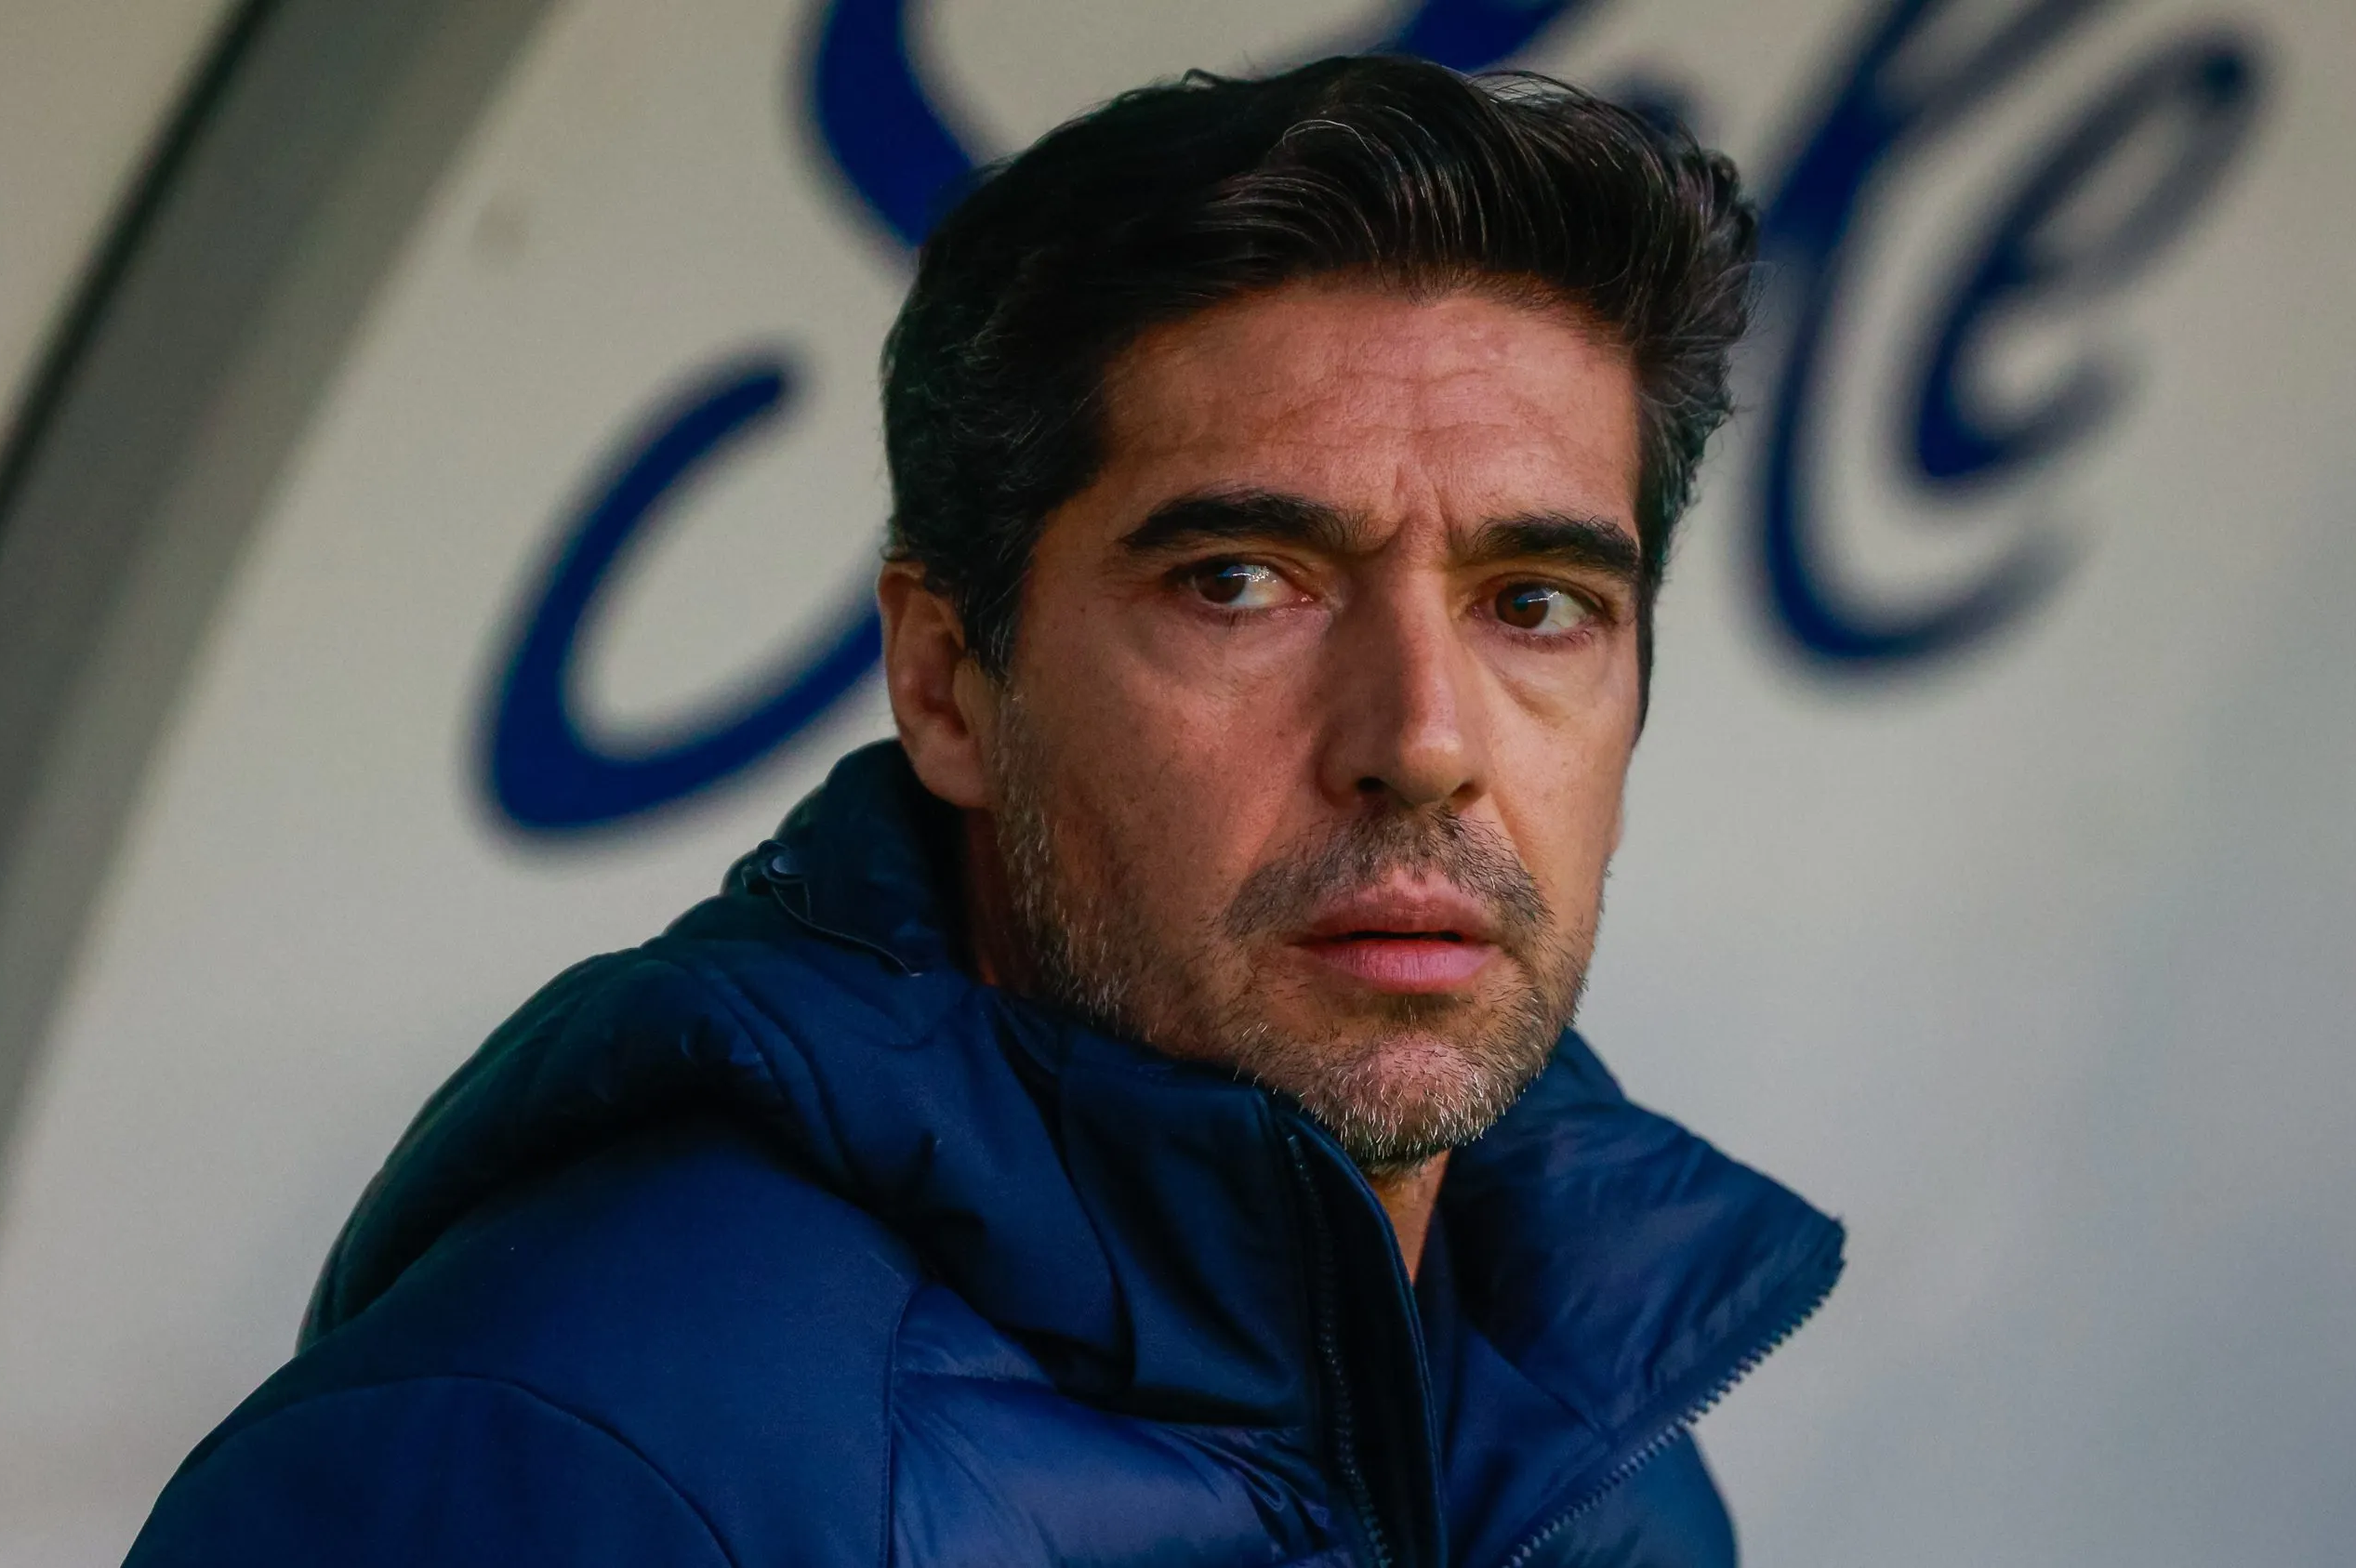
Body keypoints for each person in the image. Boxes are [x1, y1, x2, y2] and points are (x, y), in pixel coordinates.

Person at [126, 54, 1841, 1568]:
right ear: (948, 680)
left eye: (1537, 602)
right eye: (1242, 580)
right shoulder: (582, 1462)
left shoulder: (1597, 1442)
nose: (1421, 739)